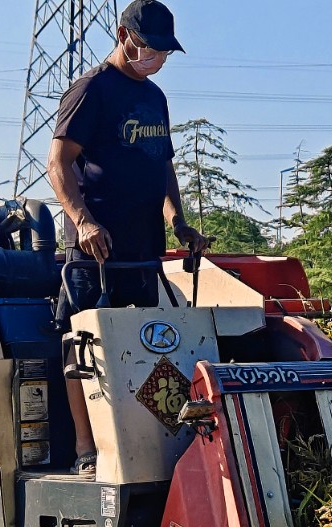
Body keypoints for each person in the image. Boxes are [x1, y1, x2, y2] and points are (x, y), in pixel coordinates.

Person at [46, 0, 208, 476]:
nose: (156, 59)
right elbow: (58, 164)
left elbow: (162, 167)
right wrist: (83, 220)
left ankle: (146, 442)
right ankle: (85, 450)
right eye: (150, 49)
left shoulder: (155, 99)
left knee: (150, 344)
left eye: (163, 53)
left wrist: (179, 222)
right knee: (82, 345)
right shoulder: (91, 90)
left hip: (142, 252)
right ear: (124, 37)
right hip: (94, 252)